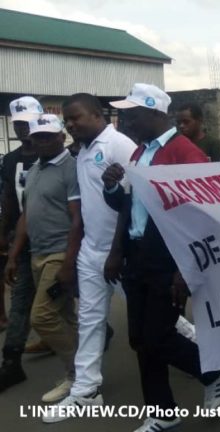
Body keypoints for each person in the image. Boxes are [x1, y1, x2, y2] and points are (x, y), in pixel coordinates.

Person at [101, 83, 220, 432]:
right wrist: (112, 187)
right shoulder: (140, 153)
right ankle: (162, 412)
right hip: (138, 255)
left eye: (133, 114)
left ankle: (212, 370)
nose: (126, 121)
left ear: (156, 112)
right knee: (140, 339)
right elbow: (127, 206)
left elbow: (200, 215)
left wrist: (186, 268)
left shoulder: (185, 153)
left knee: (158, 336)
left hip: (167, 259)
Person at [42, 93, 138, 422]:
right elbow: (86, 206)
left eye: (76, 117)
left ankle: (206, 354)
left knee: (152, 316)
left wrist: (117, 250)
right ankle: (86, 391)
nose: (70, 124)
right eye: (67, 120)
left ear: (98, 115)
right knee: (90, 320)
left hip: (119, 253)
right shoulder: (82, 150)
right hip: (91, 251)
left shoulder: (119, 145)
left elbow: (133, 202)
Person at [5, 114, 82, 404]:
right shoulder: (35, 169)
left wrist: (68, 263)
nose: (42, 141)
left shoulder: (71, 168)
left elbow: (77, 219)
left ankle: (79, 375)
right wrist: (13, 256)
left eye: (49, 136)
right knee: (65, 317)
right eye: (38, 136)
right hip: (37, 253)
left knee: (42, 317)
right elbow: (27, 214)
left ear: (62, 137)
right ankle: (81, 374)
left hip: (59, 253)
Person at [0, 96, 42, 393]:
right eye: (18, 122)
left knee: (63, 296)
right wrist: (4, 233)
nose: (23, 127)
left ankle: (96, 336)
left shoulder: (57, 156)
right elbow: (8, 199)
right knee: (21, 300)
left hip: (54, 241)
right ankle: (11, 362)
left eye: (27, 121)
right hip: (21, 242)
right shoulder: (10, 160)